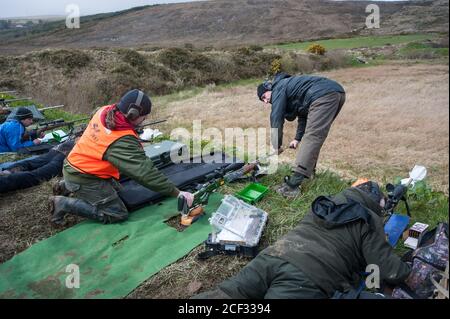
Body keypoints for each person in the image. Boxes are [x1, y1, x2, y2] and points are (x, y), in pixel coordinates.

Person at [193, 181, 411, 299]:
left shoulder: (325, 203)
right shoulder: (369, 218)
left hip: (272, 256)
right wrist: (406, 269)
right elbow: (387, 268)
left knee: (228, 293)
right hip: (307, 276)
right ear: (373, 203)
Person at [49, 89, 194, 224]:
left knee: (120, 192)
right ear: (133, 114)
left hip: (80, 164)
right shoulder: (120, 139)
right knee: (117, 213)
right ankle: (63, 204)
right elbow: (144, 172)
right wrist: (177, 193)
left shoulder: (105, 110)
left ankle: (65, 185)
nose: (145, 119)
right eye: (144, 116)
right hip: (84, 176)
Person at [257, 73, 346, 197]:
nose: (266, 102)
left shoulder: (278, 87)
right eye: (263, 101)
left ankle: (292, 185)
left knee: (313, 136)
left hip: (324, 94)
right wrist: (297, 138)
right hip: (336, 93)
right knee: (316, 136)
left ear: (269, 89)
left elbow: (276, 119)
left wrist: (276, 145)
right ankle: (309, 173)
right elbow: (304, 116)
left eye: (264, 96)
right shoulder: (292, 89)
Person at [0, 138, 76, 193]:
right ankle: (3, 181)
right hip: (69, 154)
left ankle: (7, 171)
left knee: (30, 163)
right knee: (36, 175)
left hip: (59, 148)